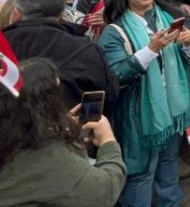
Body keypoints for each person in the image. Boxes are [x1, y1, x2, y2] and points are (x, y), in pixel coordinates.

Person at [98, 0, 190, 207]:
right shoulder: (115, 31)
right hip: (138, 113)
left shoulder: (171, 15)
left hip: (173, 108)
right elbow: (116, 74)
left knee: (168, 164)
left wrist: (188, 42)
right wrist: (150, 50)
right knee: (141, 173)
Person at [0, 58, 127, 206]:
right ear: (49, 104)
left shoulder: (11, 144)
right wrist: (108, 142)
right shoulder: (48, 157)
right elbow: (105, 191)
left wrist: (61, 133)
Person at [2, 0, 117, 107]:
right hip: (69, 118)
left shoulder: (4, 44)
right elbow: (108, 94)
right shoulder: (86, 49)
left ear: (16, 13)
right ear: (62, 13)